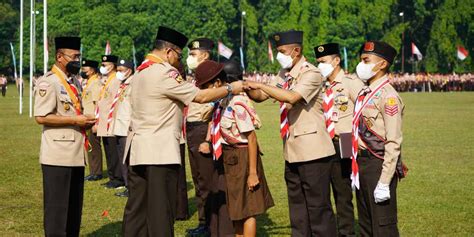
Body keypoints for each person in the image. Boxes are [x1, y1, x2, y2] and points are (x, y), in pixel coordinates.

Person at [121, 26, 244, 237]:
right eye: (178, 54)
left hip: (137, 148)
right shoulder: (165, 73)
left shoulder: (141, 71)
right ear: (169, 52)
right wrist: (232, 88)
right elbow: (201, 97)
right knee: (161, 210)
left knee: (137, 208)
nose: (180, 59)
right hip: (158, 151)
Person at [244, 30, 337, 236]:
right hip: (292, 150)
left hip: (314, 152)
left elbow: (292, 97)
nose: (279, 56)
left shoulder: (311, 73)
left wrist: (261, 84)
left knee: (318, 208)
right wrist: (246, 87)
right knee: (297, 207)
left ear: (296, 51)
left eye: (282, 51)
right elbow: (261, 95)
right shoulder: (283, 74)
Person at [197, 60, 274, 237]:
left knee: (247, 209)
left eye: (206, 86)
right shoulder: (223, 100)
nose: (204, 91)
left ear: (217, 83)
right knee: (237, 208)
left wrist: (253, 172)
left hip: (243, 156)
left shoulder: (237, 103)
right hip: (231, 157)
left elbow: (252, 139)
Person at [34, 36, 96, 237]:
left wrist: (85, 120)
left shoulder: (74, 82)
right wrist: (75, 121)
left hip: (76, 153)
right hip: (58, 155)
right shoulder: (48, 82)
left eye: (79, 56)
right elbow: (41, 117)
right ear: (60, 56)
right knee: (57, 211)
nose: (77, 61)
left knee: (73, 210)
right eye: (74, 56)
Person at [352, 41, 405, 237]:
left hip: (378, 165)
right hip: (362, 163)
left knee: (383, 226)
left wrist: (384, 180)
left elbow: (393, 141)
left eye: (366, 60)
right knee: (366, 224)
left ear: (382, 64)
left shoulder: (388, 96)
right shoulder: (365, 92)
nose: (361, 65)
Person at [314, 43, 364, 237]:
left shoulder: (351, 83)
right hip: (323, 142)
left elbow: (364, 111)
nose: (320, 66)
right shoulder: (320, 85)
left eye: (323, 61)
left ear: (336, 61)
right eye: (318, 62)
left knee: (343, 194)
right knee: (321, 193)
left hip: (343, 139)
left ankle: (346, 233)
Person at [184, 37, 215, 236]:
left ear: (204, 55)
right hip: (192, 129)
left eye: (193, 55)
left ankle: (210, 224)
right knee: (197, 178)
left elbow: (217, 106)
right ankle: (204, 221)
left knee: (206, 180)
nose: (189, 58)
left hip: (204, 128)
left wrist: (208, 139)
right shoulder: (195, 77)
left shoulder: (214, 76)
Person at [95, 54, 125, 189]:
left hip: (111, 121)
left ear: (112, 66)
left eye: (104, 65)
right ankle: (112, 177)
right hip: (104, 121)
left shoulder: (116, 80)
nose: (102, 67)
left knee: (113, 152)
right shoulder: (108, 80)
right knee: (108, 151)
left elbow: (116, 102)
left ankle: (118, 178)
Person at [111, 59, 135, 197]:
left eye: (121, 70)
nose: (118, 73)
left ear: (129, 71)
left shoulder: (133, 85)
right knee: (123, 159)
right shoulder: (123, 85)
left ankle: (132, 187)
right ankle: (127, 185)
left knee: (129, 159)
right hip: (120, 127)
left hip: (127, 128)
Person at [81, 59, 104, 181]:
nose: (83, 71)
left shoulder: (96, 83)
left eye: (85, 69)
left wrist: (97, 122)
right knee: (90, 145)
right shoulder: (90, 82)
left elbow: (97, 104)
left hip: (92, 119)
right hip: (87, 118)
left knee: (94, 145)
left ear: (92, 70)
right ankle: (93, 171)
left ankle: (97, 172)